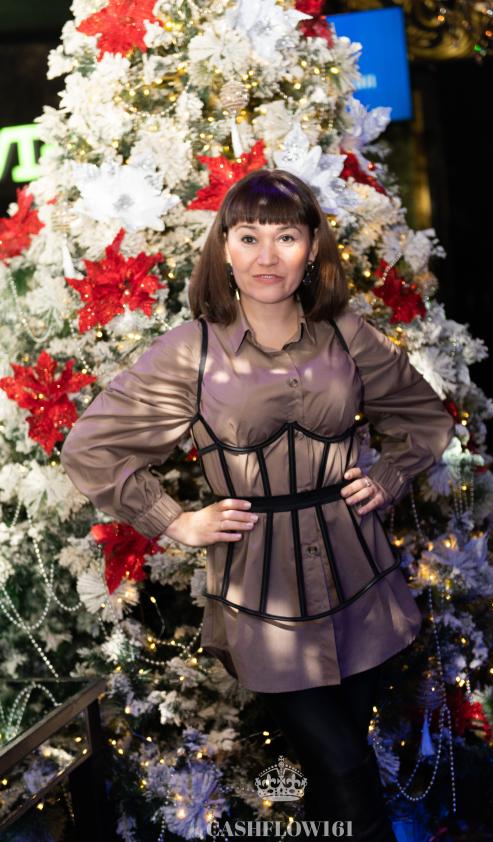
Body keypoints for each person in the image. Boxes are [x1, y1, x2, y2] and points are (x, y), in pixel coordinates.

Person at [61, 168, 455, 840]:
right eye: (248, 237)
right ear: (224, 248)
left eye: (286, 237)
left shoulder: (346, 334)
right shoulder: (192, 350)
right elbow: (90, 447)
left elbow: (423, 416)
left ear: (312, 247)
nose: (267, 256)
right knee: (347, 769)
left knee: (333, 780)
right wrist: (176, 520)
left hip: (360, 582)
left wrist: (389, 475)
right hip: (262, 597)